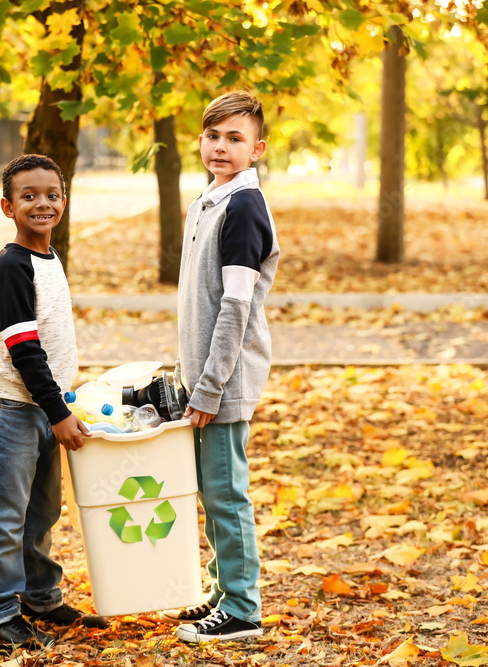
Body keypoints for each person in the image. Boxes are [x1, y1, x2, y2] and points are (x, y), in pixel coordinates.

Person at [159, 90, 279, 643]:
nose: (221, 146)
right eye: (213, 136)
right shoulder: (208, 198)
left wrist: (208, 388)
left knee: (226, 491)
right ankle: (220, 591)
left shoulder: (244, 207)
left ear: (257, 148)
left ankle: (243, 610)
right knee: (210, 488)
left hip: (223, 381)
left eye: (235, 138)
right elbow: (200, 300)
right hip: (202, 376)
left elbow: (234, 309)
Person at [0, 154, 108, 650]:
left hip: (45, 407)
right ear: (8, 206)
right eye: (29, 196)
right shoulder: (10, 267)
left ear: (64, 201)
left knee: (42, 510)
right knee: (7, 514)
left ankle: (40, 596)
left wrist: (61, 405)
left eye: (51, 195)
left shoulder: (48, 258)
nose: (42, 204)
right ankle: (0, 613)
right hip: (15, 408)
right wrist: (60, 414)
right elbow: (25, 352)